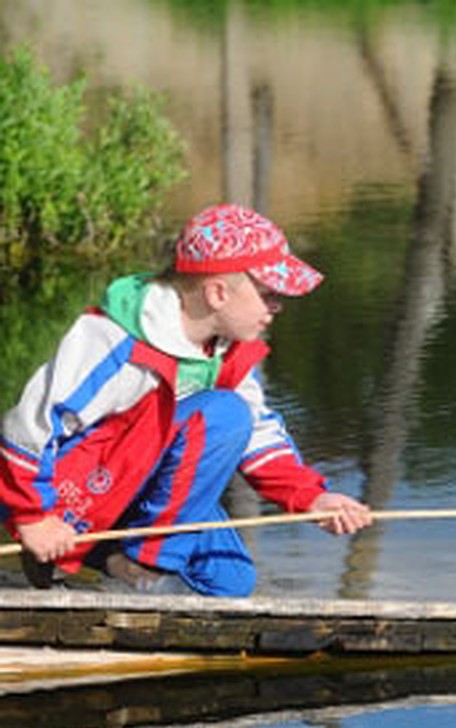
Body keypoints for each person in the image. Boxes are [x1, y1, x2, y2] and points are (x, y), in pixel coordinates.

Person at [0, 203, 372, 595]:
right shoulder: (115, 340)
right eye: (268, 293)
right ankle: (142, 564)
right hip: (67, 496)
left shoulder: (226, 349)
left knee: (230, 582)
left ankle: (107, 558)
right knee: (225, 414)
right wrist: (33, 518)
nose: (277, 307)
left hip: (138, 490)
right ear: (217, 292)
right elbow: (27, 428)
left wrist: (311, 497)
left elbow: (259, 436)